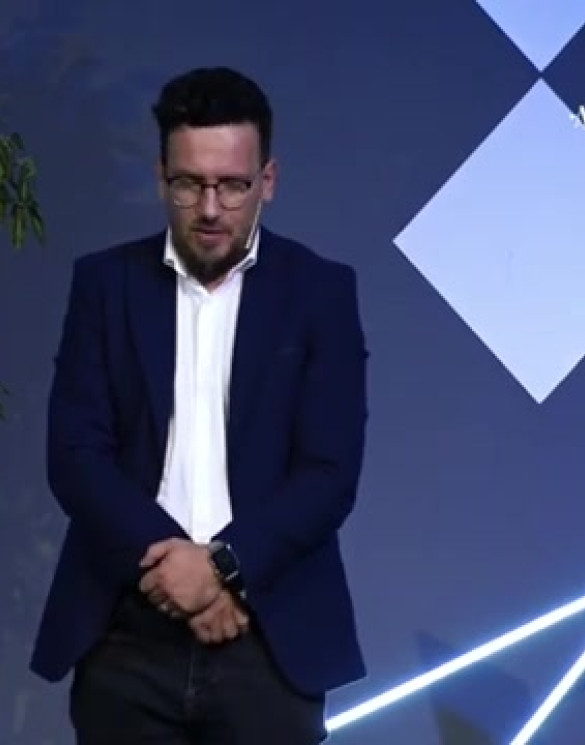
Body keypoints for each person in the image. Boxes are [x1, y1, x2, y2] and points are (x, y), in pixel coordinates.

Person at [30, 66, 369, 744]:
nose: (211, 208)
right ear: (162, 178)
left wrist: (221, 570)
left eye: (232, 185)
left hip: (268, 633)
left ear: (267, 181)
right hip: (127, 631)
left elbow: (329, 473)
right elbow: (75, 455)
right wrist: (174, 573)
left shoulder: (320, 292)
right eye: (190, 183)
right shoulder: (104, 284)